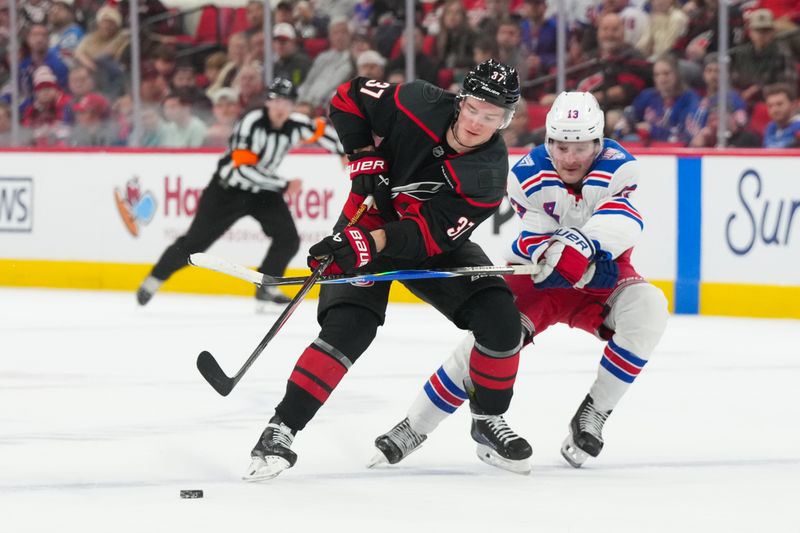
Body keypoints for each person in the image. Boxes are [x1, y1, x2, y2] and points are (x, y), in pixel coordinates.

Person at [245, 60, 527, 482]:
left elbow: (425, 239)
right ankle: (279, 431)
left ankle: (487, 419)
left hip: (428, 244)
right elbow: (348, 96)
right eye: (473, 108)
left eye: (492, 116)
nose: (478, 123)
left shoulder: (487, 175)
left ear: (505, 120)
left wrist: (367, 245)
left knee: (502, 319)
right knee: (348, 329)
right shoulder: (420, 101)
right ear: (460, 100)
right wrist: (362, 158)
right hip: (367, 221)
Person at [371, 91, 668, 474]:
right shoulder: (528, 173)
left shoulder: (620, 166)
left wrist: (585, 250)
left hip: (602, 278)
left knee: (649, 309)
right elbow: (531, 240)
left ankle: (594, 412)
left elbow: (623, 221)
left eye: (580, 147)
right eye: (561, 146)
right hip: (543, 281)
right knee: (491, 341)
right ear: (549, 142)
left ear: (598, 143)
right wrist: (558, 254)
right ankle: (414, 426)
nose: (570, 158)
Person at [136, 79, 344, 310]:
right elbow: (242, 170)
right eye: (275, 100)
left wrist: (346, 152)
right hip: (228, 191)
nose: (280, 107)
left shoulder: (296, 123)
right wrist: (284, 185)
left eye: (286, 101)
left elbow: (323, 133)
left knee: (288, 238)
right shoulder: (251, 123)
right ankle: (154, 279)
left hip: (263, 192)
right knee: (195, 242)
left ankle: (266, 287)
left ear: (293, 105)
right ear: (267, 102)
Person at [762, 83, 800, 148]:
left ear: (793, 105)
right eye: (770, 106)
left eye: (779, 104)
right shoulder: (770, 128)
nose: (774, 110)